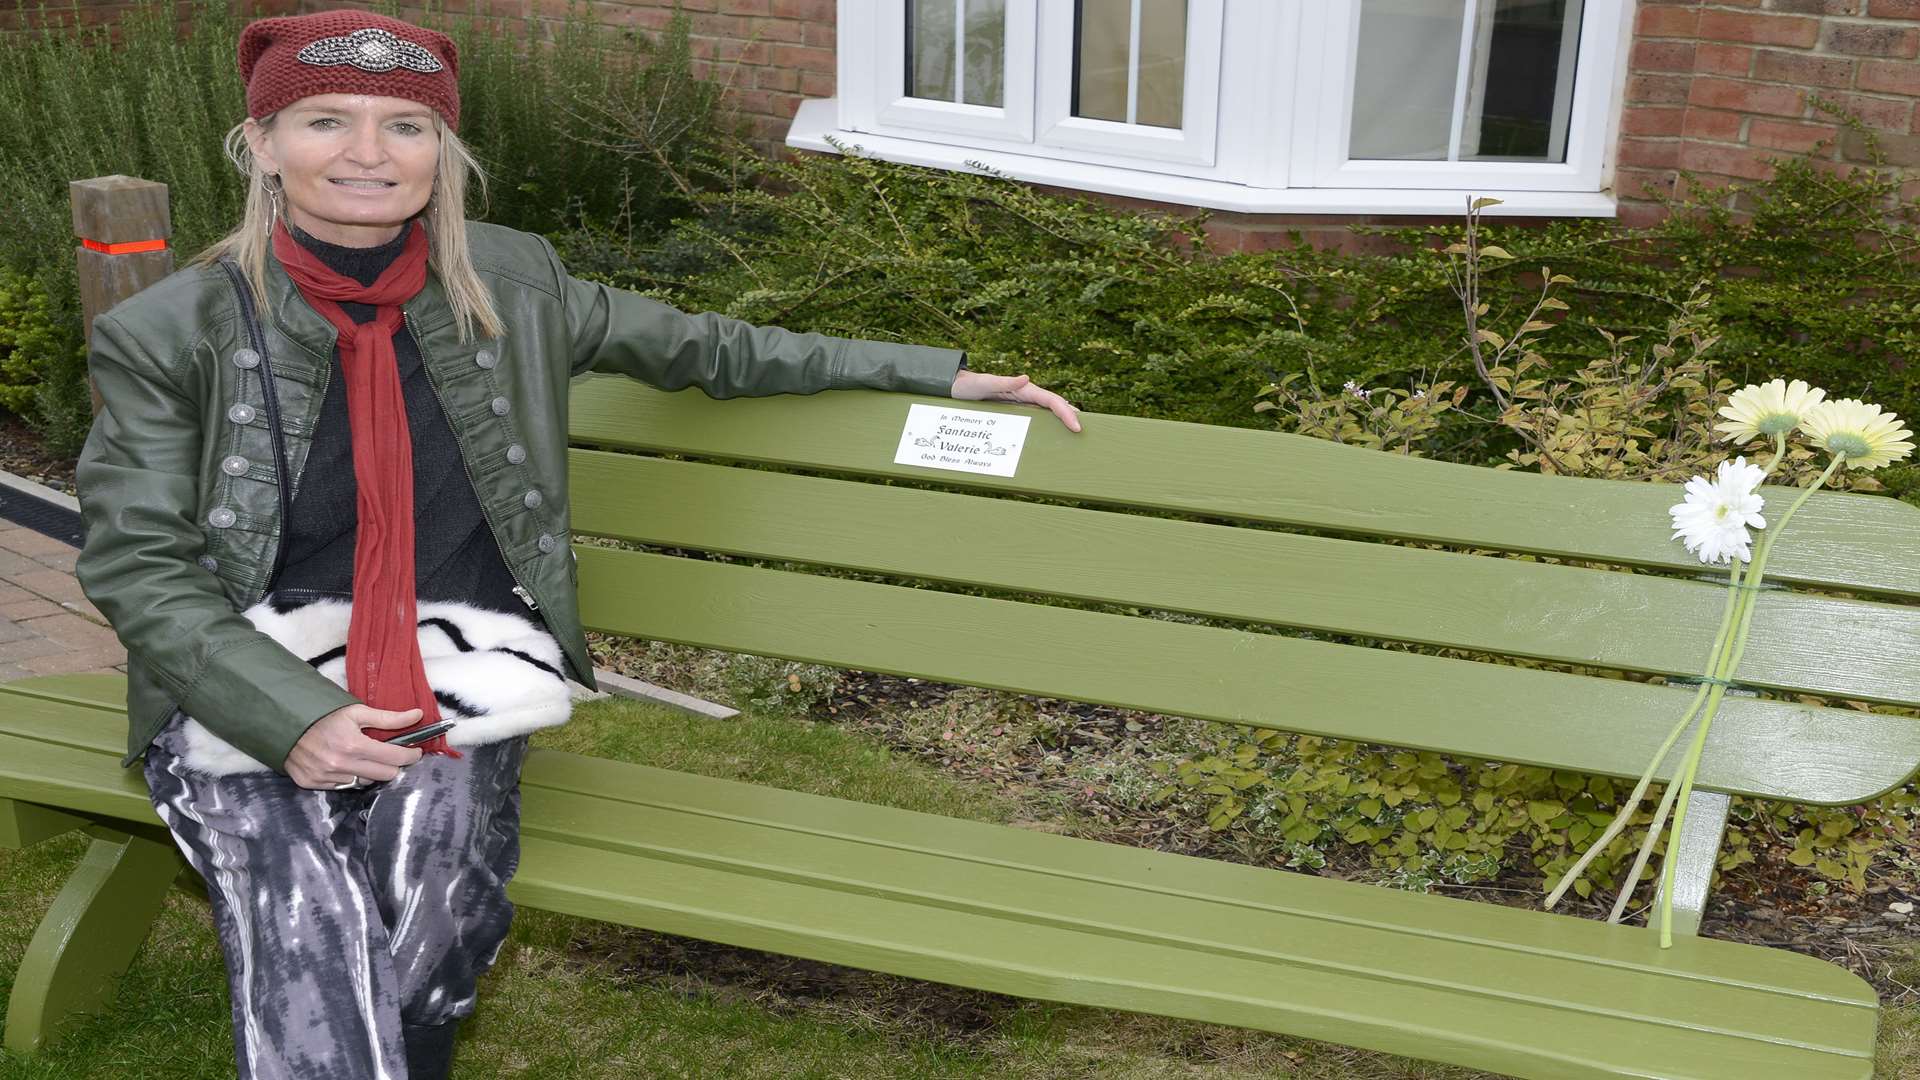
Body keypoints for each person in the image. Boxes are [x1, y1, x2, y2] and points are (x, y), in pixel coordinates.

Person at [72, 11, 1079, 1079]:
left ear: (444, 153)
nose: (369, 153)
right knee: (303, 905)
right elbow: (137, 563)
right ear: (265, 143)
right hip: (240, 672)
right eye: (328, 120)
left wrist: (933, 375)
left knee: (431, 899)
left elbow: (714, 348)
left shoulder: (514, 285)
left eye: (406, 126)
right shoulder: (172, 331)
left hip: (456, 663)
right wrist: (294, 717)